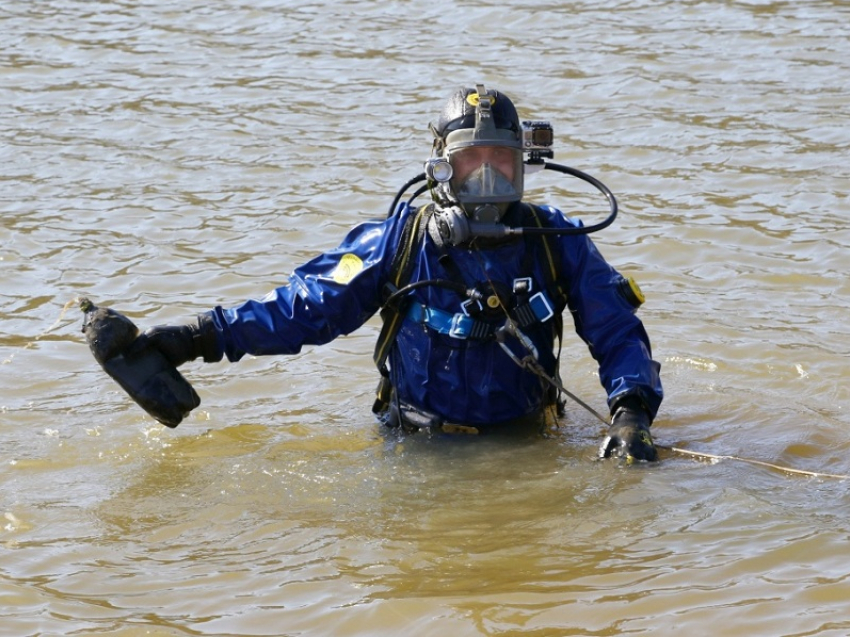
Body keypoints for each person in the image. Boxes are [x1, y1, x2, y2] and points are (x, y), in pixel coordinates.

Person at [132, 84, 663, 461]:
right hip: (415, 448)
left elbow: (616, 330)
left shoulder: (556, 241)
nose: (485, 176)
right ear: (441, 168)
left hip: (526, 443)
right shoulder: (400, 240)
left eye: (499, 161)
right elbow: (303, 309)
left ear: (521, 163)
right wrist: (198, 337)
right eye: (469, 161)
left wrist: (632, 412)